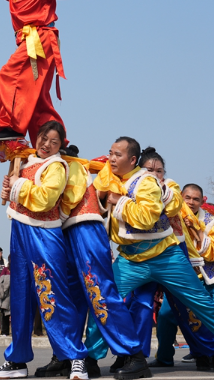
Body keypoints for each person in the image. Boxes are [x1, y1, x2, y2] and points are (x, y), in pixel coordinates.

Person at [86, 137, 214, 377]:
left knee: (204, 305)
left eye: (118, 155)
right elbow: (98, 202)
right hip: (130, 259)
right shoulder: (110, 177)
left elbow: (151, 215)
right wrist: (103, 197)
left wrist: (117, 199)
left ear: (133, 161)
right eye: (110, 153)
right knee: (103, 300)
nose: (111, 158)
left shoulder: (152, 184)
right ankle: (93, 358)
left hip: (167, 257)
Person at [0, 0, 123, 144]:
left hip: (39, 38)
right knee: (37, 98)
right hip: (31, 41)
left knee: (8, 74)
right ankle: (57, 141)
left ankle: (10, 126)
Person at [0, 120, 88, 380]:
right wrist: (10, 186)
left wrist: (17, 187)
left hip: (44, 234)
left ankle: (76, 357)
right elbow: (15, 193)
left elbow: (45, 199)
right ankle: (17, 360)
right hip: (20, 233)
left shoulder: (57, 165)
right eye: (44, 138)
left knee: (53, 296)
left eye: (53, 142)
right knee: (20, 299)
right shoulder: (25, 161)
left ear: (60, 145)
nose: (46, 144)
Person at [62, 147, 154, 379]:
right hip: (60, 233)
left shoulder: (94, 170)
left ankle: (133, 353)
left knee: (101, 293)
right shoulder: (38, 166)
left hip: (89, 229)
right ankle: (69, 358)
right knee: (68, 298)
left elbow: (98, 194)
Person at [148, 181, 214, 372]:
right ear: (180, 198)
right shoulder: (172, 217)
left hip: (211, 278)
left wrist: (198, 232)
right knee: (165, 314)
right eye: (187, 198)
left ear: (202, 201)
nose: (191, 202)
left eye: (196, 199)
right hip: (183, 278)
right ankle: (164, 357)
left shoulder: (212, 222)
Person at [0, 257, 11, 337]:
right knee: (4, 313)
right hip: (5, 295)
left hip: (15, 295)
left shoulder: (19, 268)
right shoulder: (5, 269)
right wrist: (2, 293)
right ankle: (4, 331)